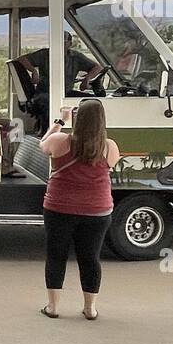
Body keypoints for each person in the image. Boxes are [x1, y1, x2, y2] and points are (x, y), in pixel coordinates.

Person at [39, 99, 120, 321]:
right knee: (91, 258)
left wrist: (60, 121)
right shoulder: (110, 146)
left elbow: (42, 144)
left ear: (77, 118)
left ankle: (53, 306)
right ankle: (90, 308)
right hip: (97, 211)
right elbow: (108, 167)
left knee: (56, 256)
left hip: (59, 208)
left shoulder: (59, 141)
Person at [15, 33, 103, 97]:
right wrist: (33, 71)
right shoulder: (44, 54)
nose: (60, 45)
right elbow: (21, 59)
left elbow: (97, 67)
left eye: (64, 43)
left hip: (66, 93)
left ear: (70, 44)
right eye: (58, 42)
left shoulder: (76, 57)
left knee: (92, 101)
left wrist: (87, 78)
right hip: (45, 94)